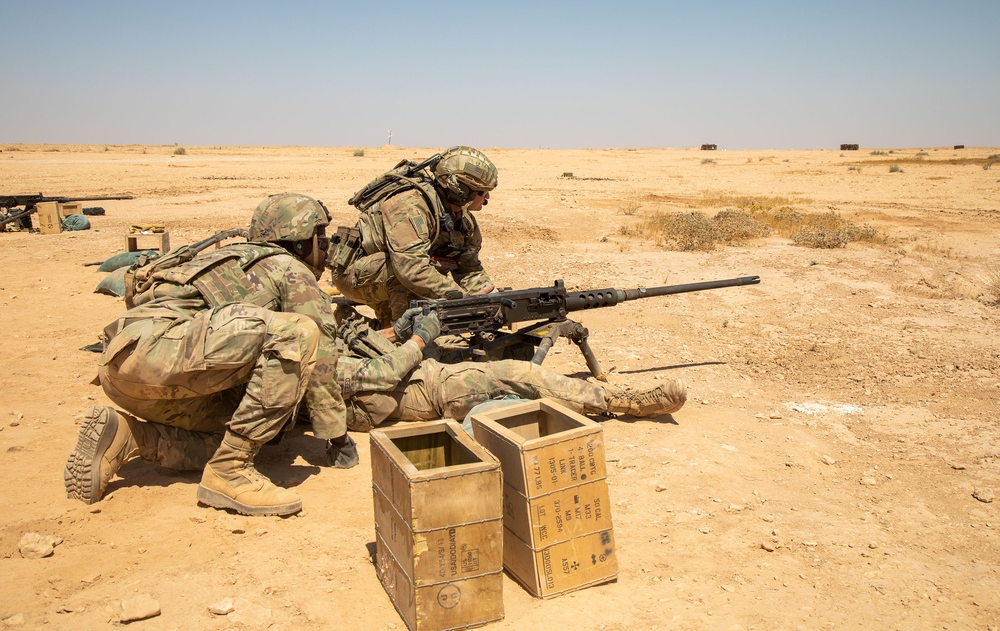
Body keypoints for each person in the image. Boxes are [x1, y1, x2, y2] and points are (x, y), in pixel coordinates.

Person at [64, 193, 359, 517]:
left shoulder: (224, 259)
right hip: (164, 353)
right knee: (300, 334)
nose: (326, 247)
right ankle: (231, 470)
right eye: (320, 237)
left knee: (242, 429)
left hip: (123, 369)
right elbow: (323, 360)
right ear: (301, 242)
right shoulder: (290, 269)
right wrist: (338, 439)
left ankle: (130, 437)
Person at [332, 305, 688, 432]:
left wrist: (395, 332)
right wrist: (419, 338)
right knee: (520, 375)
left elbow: (366, 355)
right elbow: (384, 374)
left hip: (419, 371)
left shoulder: (301, 344)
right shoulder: (309, 362)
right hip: (425, 390)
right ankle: (626, 401)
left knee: (494, 345)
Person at [329, 146, 500, 325]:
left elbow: (469, 268)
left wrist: (490, 298)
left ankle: (384, 327)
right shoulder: (409, 206)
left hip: (392, 276)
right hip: (355, 276)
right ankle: (395, 332)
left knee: (423, 287)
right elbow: (411, 270)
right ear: (460, 190)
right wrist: (460, 299)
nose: (487, 197)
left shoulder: (464, 220)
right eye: (482, 192)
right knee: (405, 277)